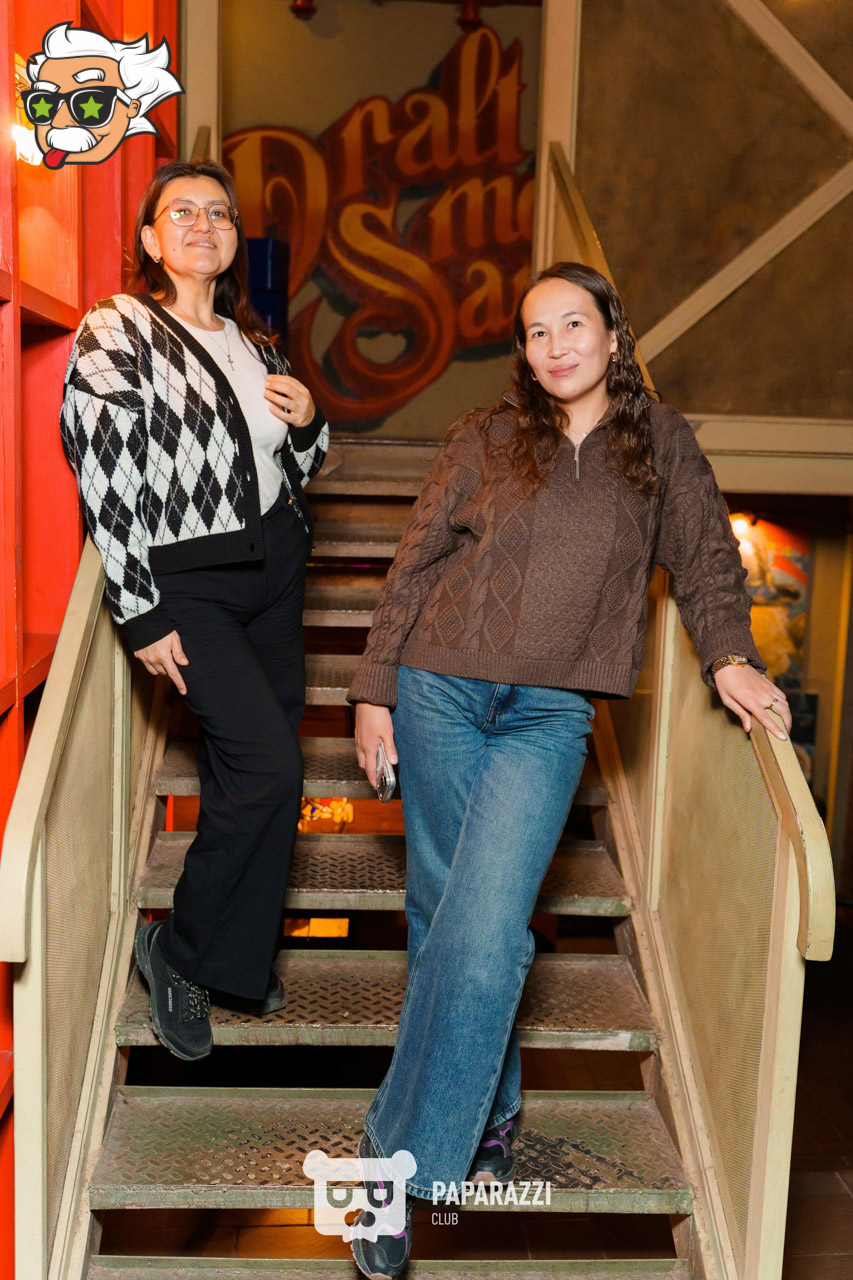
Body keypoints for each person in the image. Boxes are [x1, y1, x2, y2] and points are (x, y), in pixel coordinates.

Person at [346, 260, 791, 1278]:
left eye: (572, 324)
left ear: (611, 333)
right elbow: (415, 561)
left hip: (549, 714)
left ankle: (397, 1166)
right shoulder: (487, 437)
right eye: (536, 331)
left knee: (485, 930)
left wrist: (728, 655)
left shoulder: (660, 442)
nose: (554, 346)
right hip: (438, 688)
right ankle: (491, 1109)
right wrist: (373, 689)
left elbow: (705, 560)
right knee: (443, 918)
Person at [60, 157, 328, 1061]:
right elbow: (102, 471)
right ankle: (177, 949)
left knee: (244, 775)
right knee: (269, 768)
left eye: (219, 212)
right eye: (182, 212)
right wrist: (138, 609)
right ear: (149, 238)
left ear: (235, 238)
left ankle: (233, 960)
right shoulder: (120, 327)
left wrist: (310, 420)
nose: (204, 224)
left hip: (276, 571)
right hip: (190, 583)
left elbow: (299, 462)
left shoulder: (257, 347)